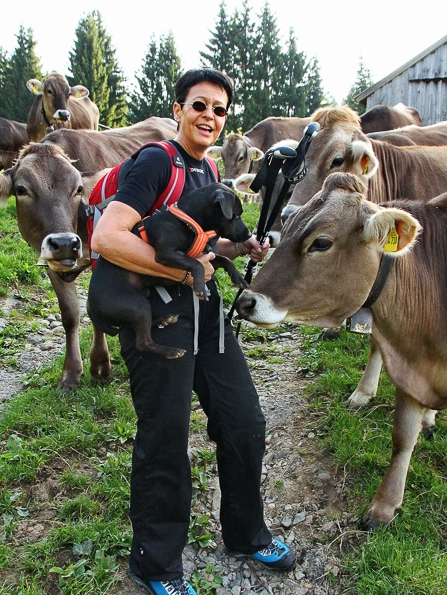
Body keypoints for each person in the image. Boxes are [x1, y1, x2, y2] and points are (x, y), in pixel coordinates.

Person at [89, 68, 295, 595]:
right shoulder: (159, 161)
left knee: (244, 420)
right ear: (178, 109)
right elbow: (108, 237)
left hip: (205, 313)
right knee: (165, 440)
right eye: (199, 105)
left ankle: (246, 533)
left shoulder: (207, 175)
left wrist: (235, 248)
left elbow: (200, 244)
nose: (209, 115)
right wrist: (187, 271)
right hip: (154, 315)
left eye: (219, 109)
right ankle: (155, 565)